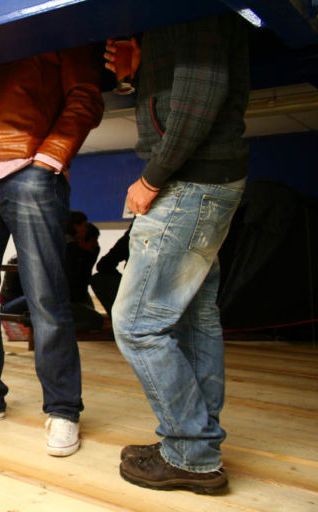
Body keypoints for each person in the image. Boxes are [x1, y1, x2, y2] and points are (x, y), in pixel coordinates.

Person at [0, 46, 104, 458]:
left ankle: (63, 408)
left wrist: (49, 158)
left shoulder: (58, 31)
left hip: (29, 169)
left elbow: (87, 96)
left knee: (46, 296)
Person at [105, 13, 249, 493]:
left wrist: (151, 178)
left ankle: (190, 451)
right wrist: (138, 73)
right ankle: (193, 446)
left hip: (189, 183)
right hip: (206, 181)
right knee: (192, 319)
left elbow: (200, 98)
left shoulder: (196, 7)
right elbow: (185, 91)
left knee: (136, 324)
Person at [90, 223, 131, 318]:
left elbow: (104, 265)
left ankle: (120, 320)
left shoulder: (133, 235)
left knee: (99, 279)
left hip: (137, 289)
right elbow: (104, 265)